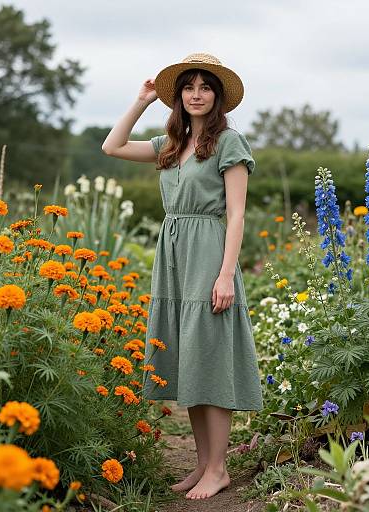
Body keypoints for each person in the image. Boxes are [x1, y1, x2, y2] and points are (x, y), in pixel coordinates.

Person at [102, 53, 263, 500]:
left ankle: (219, 468)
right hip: (172, 255)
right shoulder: (169, 144)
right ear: (178, 96)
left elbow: (236, 215)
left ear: (217, 97)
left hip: (209, 253)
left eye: (204, 87)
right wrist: (141, 100)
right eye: (188, 87)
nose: (196, 94)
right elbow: (111, 147)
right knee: (190, 356)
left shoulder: (229, 142)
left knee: (209, 355)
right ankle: (201, 464)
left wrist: (227, 274)